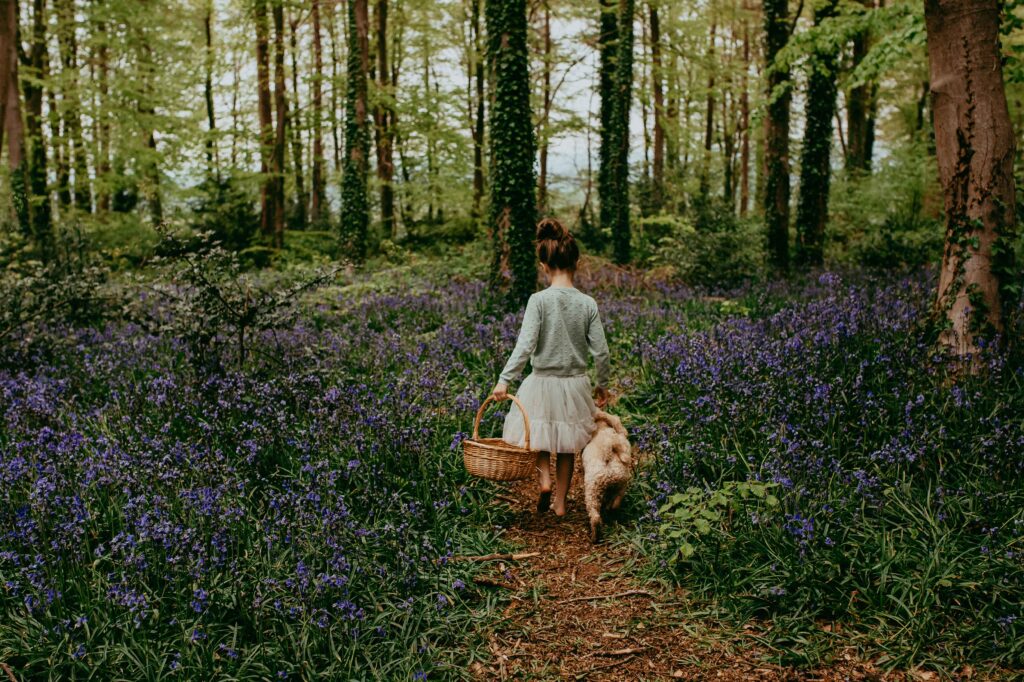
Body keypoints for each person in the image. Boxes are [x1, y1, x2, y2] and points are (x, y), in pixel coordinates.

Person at [491, 218, 611, 516]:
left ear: (544, 265)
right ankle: (560, 503)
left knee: (541, 433)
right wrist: (602, 384)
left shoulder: (538, 300)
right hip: (574, 383)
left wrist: (504, 380)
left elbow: (525, 345)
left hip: (541, 380)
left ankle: (543, 480)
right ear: (577, 262)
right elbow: (602, 351)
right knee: (568, 445)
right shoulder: (587, 303)